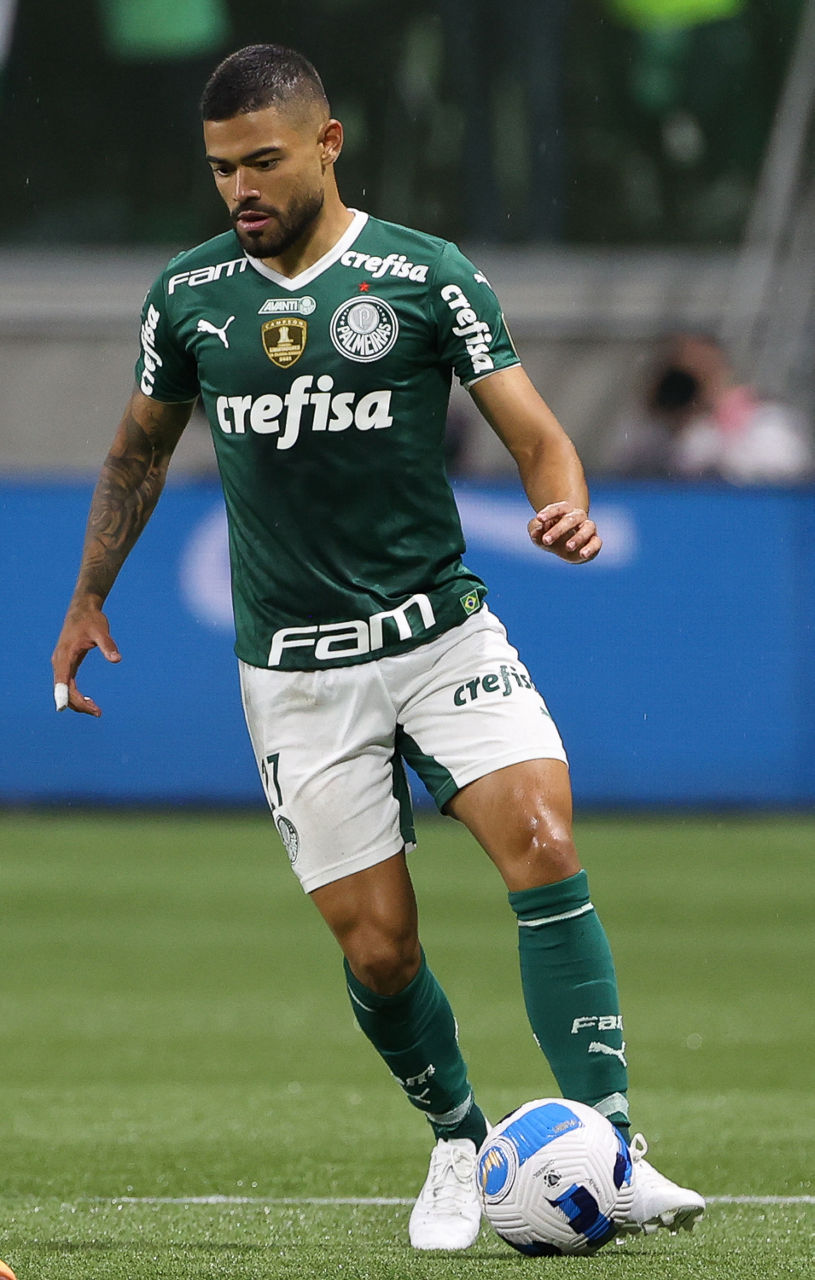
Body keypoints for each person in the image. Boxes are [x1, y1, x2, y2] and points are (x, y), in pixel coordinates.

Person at [51, 44, 705, 1251]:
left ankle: (611, 1144)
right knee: (379, 945)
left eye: (261, 162)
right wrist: (89, 596)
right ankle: (458, 1136)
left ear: (327, 143)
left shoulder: (422, 275)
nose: (239, 189)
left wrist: (561, 501)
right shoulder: (188, 297)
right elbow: (136, 451)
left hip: (437, 631)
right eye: (220, 169)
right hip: (295, 672)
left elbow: (534, 433)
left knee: (543, 837)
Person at [604, 332, 813, 482]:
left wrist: (720, 424)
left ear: (721, 372)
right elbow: (625, 475)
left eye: (696, 376)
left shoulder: (764, 423)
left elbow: (786, 485)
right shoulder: (656, 430)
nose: (686, 387)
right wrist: (665, 416)